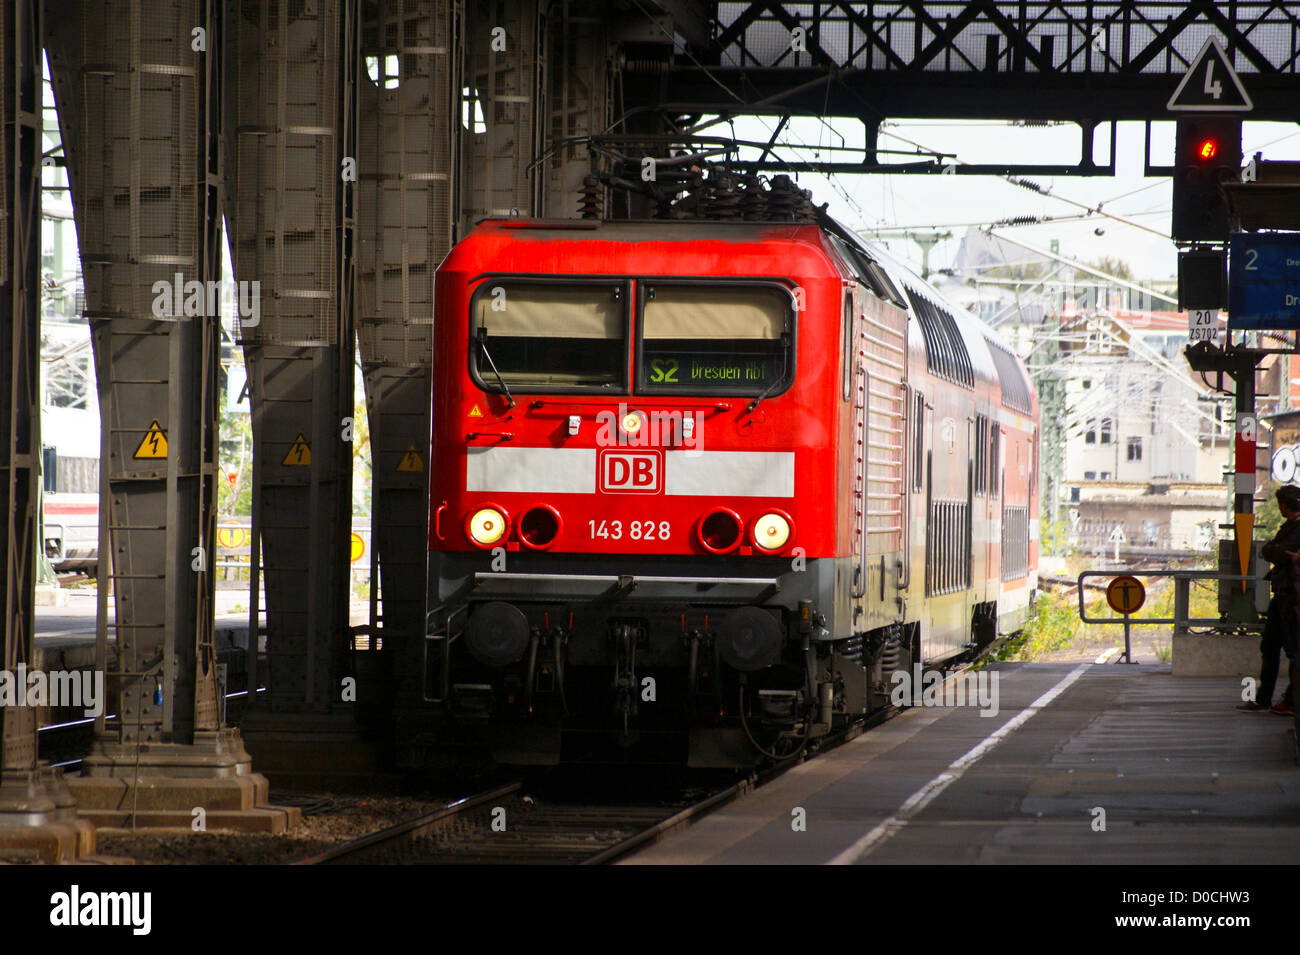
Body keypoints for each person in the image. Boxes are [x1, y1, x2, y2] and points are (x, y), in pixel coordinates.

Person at [1238, 485, 1300, 713]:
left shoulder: (1296, 528)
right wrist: (1277, 551)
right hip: (1282, 594)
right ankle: (1265, 698)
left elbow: (1273, 551)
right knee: (1270, 646)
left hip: (1292, 597)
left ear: (1284, 506)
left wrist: (1277, 551)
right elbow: (1273, 551)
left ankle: (1291, 702)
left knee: (1292, 650)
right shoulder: (1290, 527)